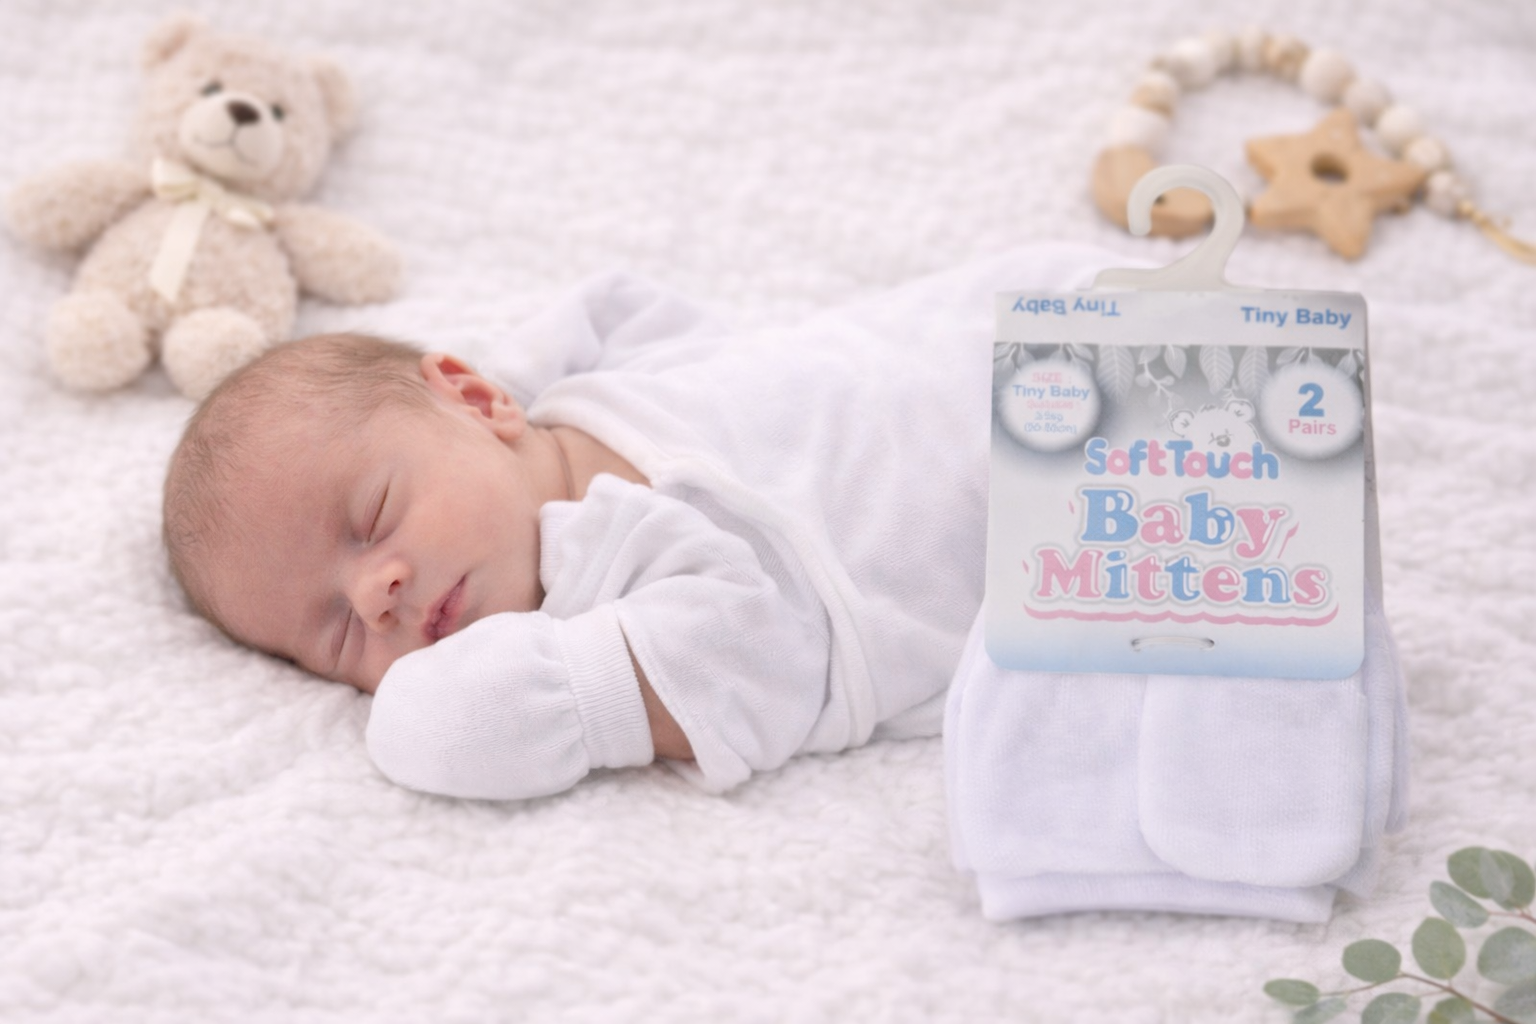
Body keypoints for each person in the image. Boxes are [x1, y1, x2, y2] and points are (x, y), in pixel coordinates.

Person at [162, 243, 1119, 800]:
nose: (377, 596)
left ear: (473, 395)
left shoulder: (587, 390)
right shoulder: (611, 605)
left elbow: (614, 302)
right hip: (1097, 507)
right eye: (335, 636)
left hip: (1014, 320)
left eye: (371, 517)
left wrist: (504, 404)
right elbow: (761, 655)